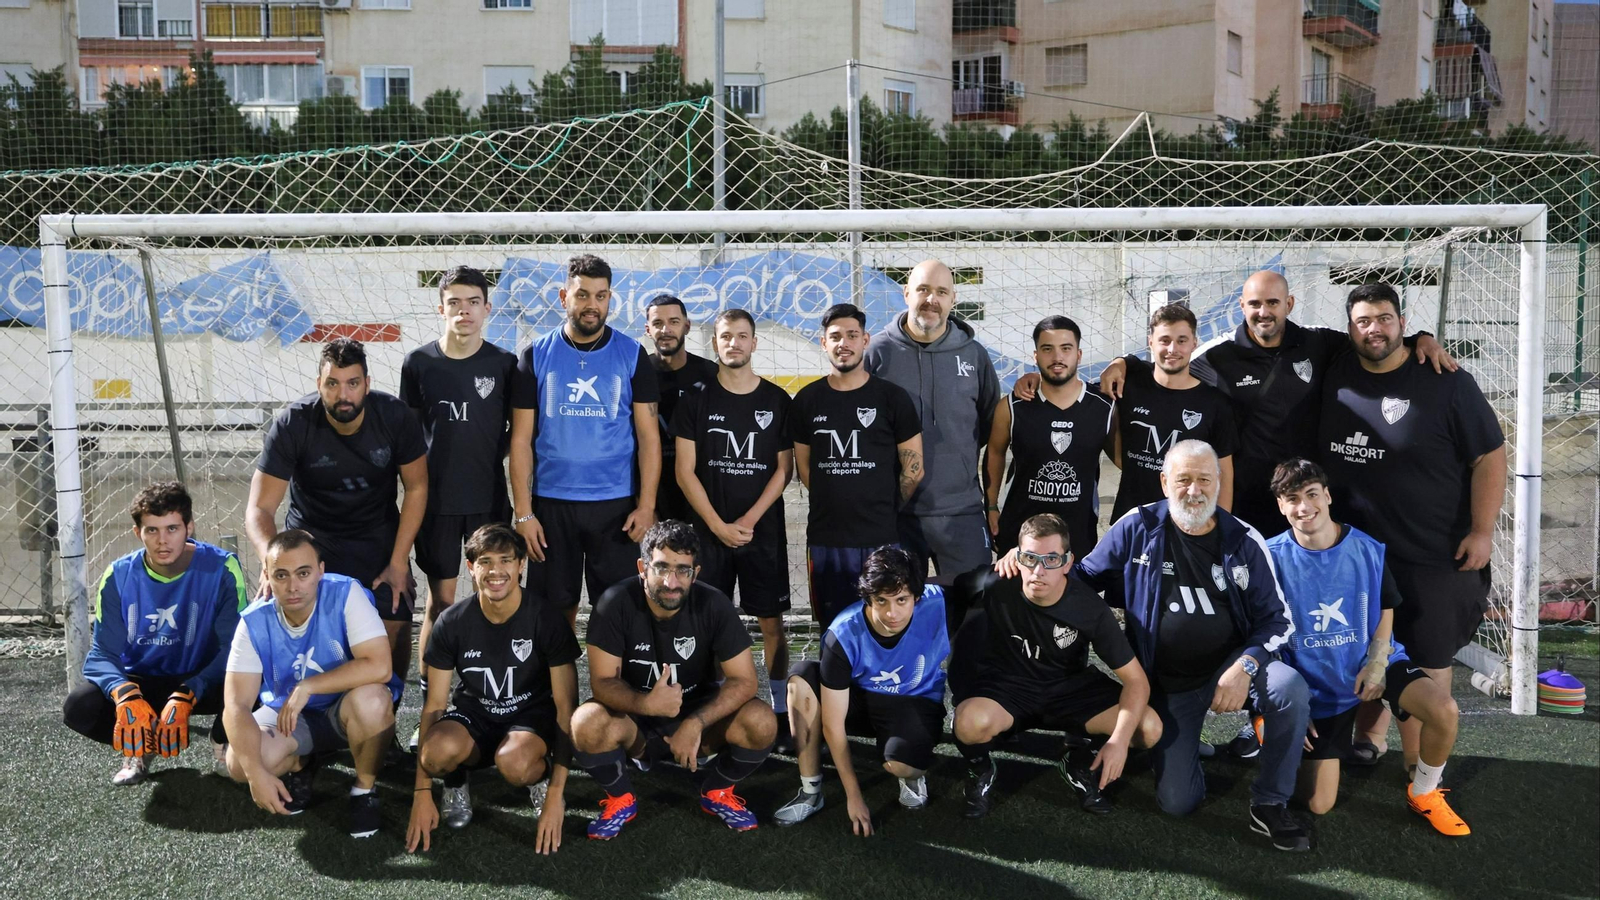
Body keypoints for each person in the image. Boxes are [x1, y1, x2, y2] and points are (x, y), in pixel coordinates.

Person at [1069, 440, 1312, 851]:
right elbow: (1082, 578)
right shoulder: (1137, 525)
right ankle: (1186, 741)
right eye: (1183, 480)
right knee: (1177, 803)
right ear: (1165, 482)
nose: (1194, 490)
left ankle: (1269, 804)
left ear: (1218, 484)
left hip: (1235, 670)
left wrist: (1244, 668)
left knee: (1289, 690)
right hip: (1170, 683)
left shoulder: (1243, 539)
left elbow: (1279, 620)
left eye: (1204, 480)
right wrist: (1030, 563)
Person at [1091, 270, 1454, 538]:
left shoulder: (1319, 345)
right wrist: (1125, 361)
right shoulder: (1217, 357)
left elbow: (1372, 341)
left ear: (1289, 304)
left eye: (1272, 303)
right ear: (1241, 306)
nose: (1263, 311)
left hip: (1303, 499)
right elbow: (1169, 361)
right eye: (1254, 304)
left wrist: (1420, 338)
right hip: (1246, 501)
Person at [1318, 283, 1504, 771]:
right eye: (1363, 320)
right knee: (1361, 646)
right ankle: (1370, 737)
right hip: (1358, 552)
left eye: (1384, 318)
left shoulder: (1445, 381)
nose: (1374, 328)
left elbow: (1490, 456)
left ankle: (1422, 770)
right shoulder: (1335, 368)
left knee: (1428, 659)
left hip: (1432, 554)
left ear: (1402, 323)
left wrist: (1482, 531)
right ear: (1350, 329)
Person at [1265, 459, 1468, 836]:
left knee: (1444, 709)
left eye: (1311, 495)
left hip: (1370, 664)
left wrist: (1377, 662)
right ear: (1281, 505)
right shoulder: (1270, 557)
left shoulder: (1367, 548)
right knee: (1317, 804)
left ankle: (1424, 792)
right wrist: (1290, 705)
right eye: (1292, 499)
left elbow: (1386, 605)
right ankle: (1268, 725)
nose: (1304, 506)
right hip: (1315, 687)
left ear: (1326, 496)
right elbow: (1265, 630)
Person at [570, 520, 776, 839]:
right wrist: (646, 703)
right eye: (661, 567)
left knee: (762, 721)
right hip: (635, 726)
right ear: (643, 567)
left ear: (696, 572)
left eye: (682, 570)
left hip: (700, 725)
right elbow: (602, 682)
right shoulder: (613, 603)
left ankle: (717, 791)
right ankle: (620, 798)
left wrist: (694, 723)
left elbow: (744, 681)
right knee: (586, 722)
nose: (671, 581)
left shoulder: (714, 604)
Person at [246, 337, 429, 685]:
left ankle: (384, 717)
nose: (343, 394)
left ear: (367, 385)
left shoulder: (394, 417)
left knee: (394, 610)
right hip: (313, 541)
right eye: (332, 383)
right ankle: (292, 707)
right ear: (319, 385)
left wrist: (398, 562)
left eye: (352, 383)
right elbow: (259, 508)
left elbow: (418, 487)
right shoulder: (293, 423)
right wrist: (273, 566)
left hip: (375, 537)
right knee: (291, 610)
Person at [399, 265, 528, 748]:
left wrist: (520, 507)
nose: (464, 310)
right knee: (441, 601)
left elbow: (518, 438)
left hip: (487, 500)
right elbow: (409, 440)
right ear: (441, 308)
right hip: (434, 502)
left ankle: (493, 701)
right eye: (454, 302)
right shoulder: (419, 364)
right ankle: (434, 710)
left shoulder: (505, 365)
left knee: (492, 600)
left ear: (487, 308)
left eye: (473, 301)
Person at [960, 514, 1160, 819]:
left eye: (1051, 559)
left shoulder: (1089, 607)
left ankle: (1079, 759)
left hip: (1069, 693)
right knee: (967, 722)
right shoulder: (995, 583)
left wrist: (1119, 742)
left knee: (1148, 728)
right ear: (1017, 557)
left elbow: (1137, 682)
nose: (1039, 571)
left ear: (1067, 563)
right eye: (1030, 558)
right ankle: (980, 769)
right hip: (1011, 691)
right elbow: (944, 591)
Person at [407, 524, 580, 854]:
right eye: (485, 561)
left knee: (515, 763)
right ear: (471, 569)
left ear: (521, 565)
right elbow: (434, 707)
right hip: (477, 715)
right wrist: (422, 792)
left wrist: (557, 794)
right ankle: (456, 781)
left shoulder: (546, 618)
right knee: (436, 752)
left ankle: (539, 780)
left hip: (528, 718)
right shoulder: (452, 622)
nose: (496, 571)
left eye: (506, 560)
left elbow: (565, 707)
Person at [510, 254, 661, 629]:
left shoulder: (632, 354)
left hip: (616, 507)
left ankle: (613, 688)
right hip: (552, 505)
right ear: (564, 297)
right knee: (553, 610)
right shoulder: (534, 355)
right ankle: (556, 689)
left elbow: (648, 438)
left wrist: (646, 506)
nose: (591, 305)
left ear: (610, 299)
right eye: (582, 295)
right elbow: (521, 440)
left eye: (600, 296)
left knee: (618, 610)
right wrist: (524, 513)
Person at [222, 530, 403, 838]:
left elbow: (380, 666)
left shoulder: (346, 593)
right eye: (281, 575)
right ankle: (300, 765)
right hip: (289, 717)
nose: (293, 586)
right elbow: (235, 705)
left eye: (303, 573)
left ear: (321, 570)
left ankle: (364, 789)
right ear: (267, 575)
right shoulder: (254, 620)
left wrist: (308, 686)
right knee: (239, 762)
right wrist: (256, 776)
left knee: (373, 699)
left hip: (345, 708)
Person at [63, 481, 247, 784]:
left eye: (172, 529)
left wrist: (190, 692)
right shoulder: (118, 576)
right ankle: (140, 746)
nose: (163, 541)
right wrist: (125, 696)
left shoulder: (223, 567)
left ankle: (223, 743)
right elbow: (102, 655)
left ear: (189, 526)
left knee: (259, 680)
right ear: (138, 533)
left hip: (203, 679)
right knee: (80, 706)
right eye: (152, 530)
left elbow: (235, 647)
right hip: (144, 682)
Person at [672, 309, 795, 749]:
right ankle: (716, 711)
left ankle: (780, 711)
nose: (734, 344)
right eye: (726, 337)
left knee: (771, 623)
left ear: (755, 343)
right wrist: (718, 525)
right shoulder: (696, 400)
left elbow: (785, 469)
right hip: (708, 535)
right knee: (710, 622)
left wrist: (747, 520)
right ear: (715, 343)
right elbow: (685, 472)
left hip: (760, 532)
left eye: (742, 336)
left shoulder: (778, 400)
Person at [773, 547, 955, 832]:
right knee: (801, 678)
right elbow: (833, 724)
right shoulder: (843, 632)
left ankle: (910, 776)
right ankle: (811, 791)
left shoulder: (940, 601)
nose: (891, 612)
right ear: (868, 597)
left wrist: (1019, 555)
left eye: (901, 600)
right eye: (880, 600)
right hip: (859, 702)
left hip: (913, 700)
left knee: (903, 764)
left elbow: (989, 579)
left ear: (917, 597)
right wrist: (854, 796)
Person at [789, 303, 924, 628]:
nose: (843, 343)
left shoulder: (892, 398)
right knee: (834, 629)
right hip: (827, 539)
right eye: (835, 336)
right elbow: (805, 468)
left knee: (884, 627)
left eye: (851, 335)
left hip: (881, 538)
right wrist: (835, 497)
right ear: (823, 343)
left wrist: (882, 506)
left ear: (865, 340)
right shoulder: (807, 400)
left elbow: (914, 469)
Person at [865, 259, 1001, 577]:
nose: (932, 300)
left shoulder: (974, 355)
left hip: (961, 511)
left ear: (953, 299)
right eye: (923, 289)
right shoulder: (878, 353)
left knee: (972, 612)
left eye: (941, 292)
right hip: (895, 513)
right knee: (897, 616)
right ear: (906, 293)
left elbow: (988, 428)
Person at [986, 315, 1116, 558]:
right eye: (1048, 349)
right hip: (1018, 532)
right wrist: (991, 506)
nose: (1057, 358)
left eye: (1066, 349)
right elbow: (994, 452)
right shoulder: (1012, 406)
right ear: (1035, 356)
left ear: (1078, 354)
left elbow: (1124, 460)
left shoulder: (1104, 407)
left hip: (1077, 534)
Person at [1107, 304, 1236, 522]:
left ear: (1194, 343)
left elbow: (1224, 472)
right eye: (1164, 340)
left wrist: (1221, 526)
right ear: (1151, 343)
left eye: (1182, 340)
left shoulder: (1215, 403)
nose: (1172, 349)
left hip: (1189, 522)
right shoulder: (1129, 386)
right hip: (1133, 518)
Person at [646, 294, 720, 522]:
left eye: (674, 322)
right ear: (648, 329)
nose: (665, 329)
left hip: (699, 488)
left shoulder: (710, 374)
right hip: (651, 490)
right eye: (657, 323)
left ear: (687, 326)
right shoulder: (638, 373)